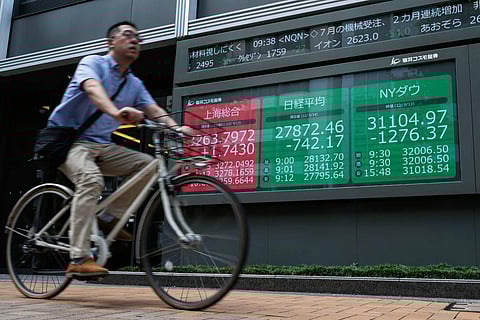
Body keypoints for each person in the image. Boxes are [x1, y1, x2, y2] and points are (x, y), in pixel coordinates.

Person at [47, 21, 188, 278]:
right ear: (111, 42)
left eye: (138, 37)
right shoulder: (93, 64)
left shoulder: (133, 83)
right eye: (128, 35)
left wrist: (175, 128)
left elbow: (153, 109)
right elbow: (92, 89)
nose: (135, 40)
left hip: (101, 146)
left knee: (149, 165)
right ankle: (79, 256)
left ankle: (109, 216)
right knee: (91, 180)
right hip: (69, 142)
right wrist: (117, 113)